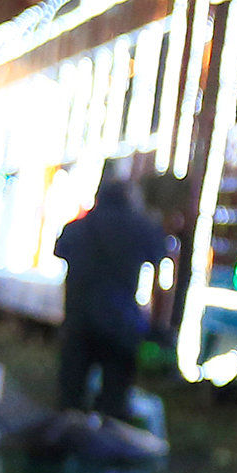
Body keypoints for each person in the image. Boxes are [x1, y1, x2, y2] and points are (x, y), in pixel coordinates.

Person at [54, 172, 173, 418]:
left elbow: (60, 252)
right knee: (115, 400)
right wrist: (159, 322)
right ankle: (107, 446)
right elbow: (164, 269)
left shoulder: (77, 229)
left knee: (70, 400)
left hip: (79, 322)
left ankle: (67, 447)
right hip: (122, 324)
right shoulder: (142, 227)